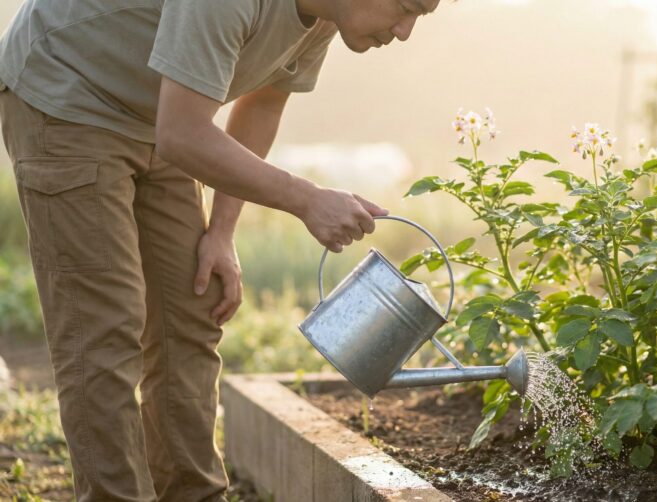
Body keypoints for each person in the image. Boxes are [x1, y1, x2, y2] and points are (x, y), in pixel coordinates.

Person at [0, 0, 439, 500]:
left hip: (160, 114)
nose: (404, 32)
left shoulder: (322, 16)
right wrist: (307, 200)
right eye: (406, 7)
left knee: (189, 312)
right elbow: (183, 134)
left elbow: (263, 102)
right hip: (71, 95)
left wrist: (222, 232)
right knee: (106, 330)